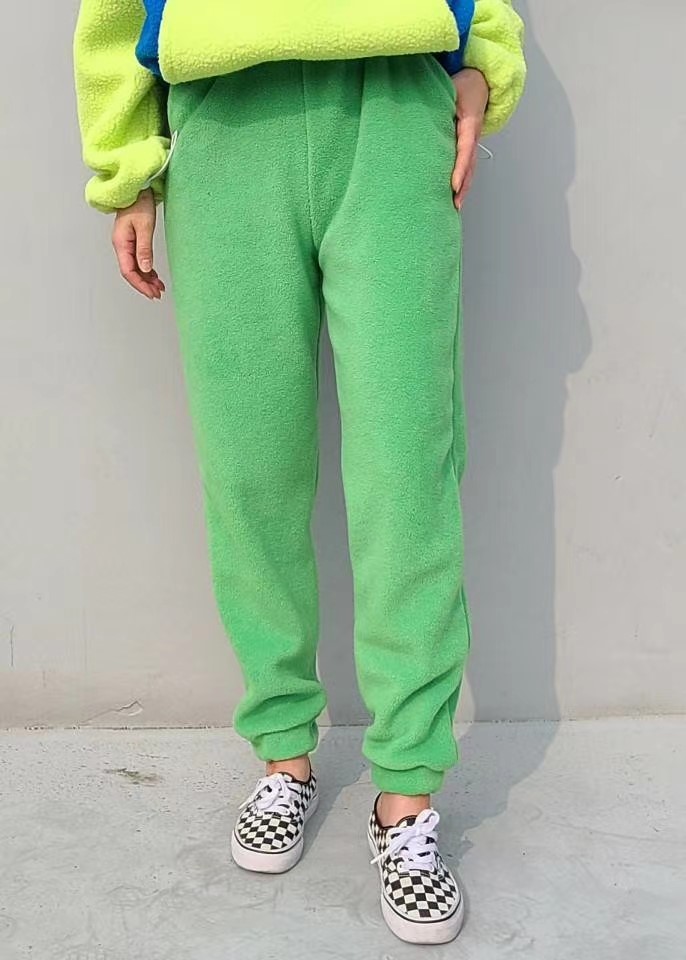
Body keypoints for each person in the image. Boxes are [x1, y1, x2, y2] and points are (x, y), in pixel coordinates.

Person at [73, 0, 525, 945]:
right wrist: (125, 162)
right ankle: (283, 753)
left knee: (408, 469)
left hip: (393, 104)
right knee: (251, 469)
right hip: (225, 118)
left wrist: (484, 57)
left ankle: (406, 790)